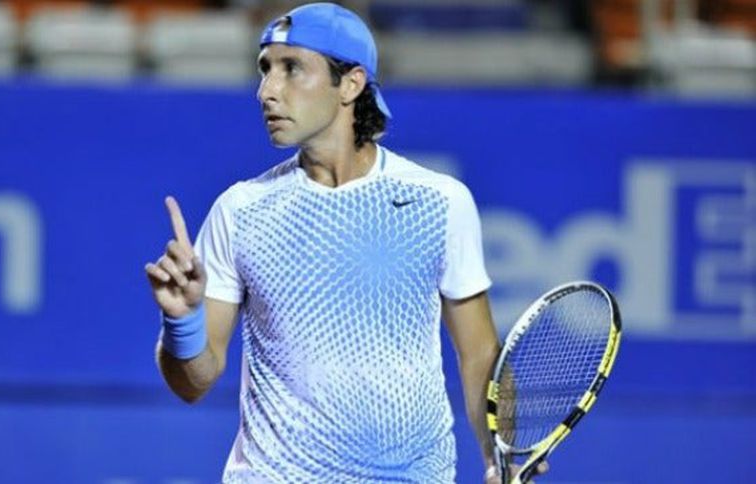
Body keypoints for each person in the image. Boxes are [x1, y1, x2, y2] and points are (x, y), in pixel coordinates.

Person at [145, 2, 546, 482]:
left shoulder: (440, 202)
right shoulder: (240, 211)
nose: (266, 90)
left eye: (292, 68)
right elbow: (193, 384)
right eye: (265, 69)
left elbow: (479, 354)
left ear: (351, 84)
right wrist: (181, 321)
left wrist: (500, 453)